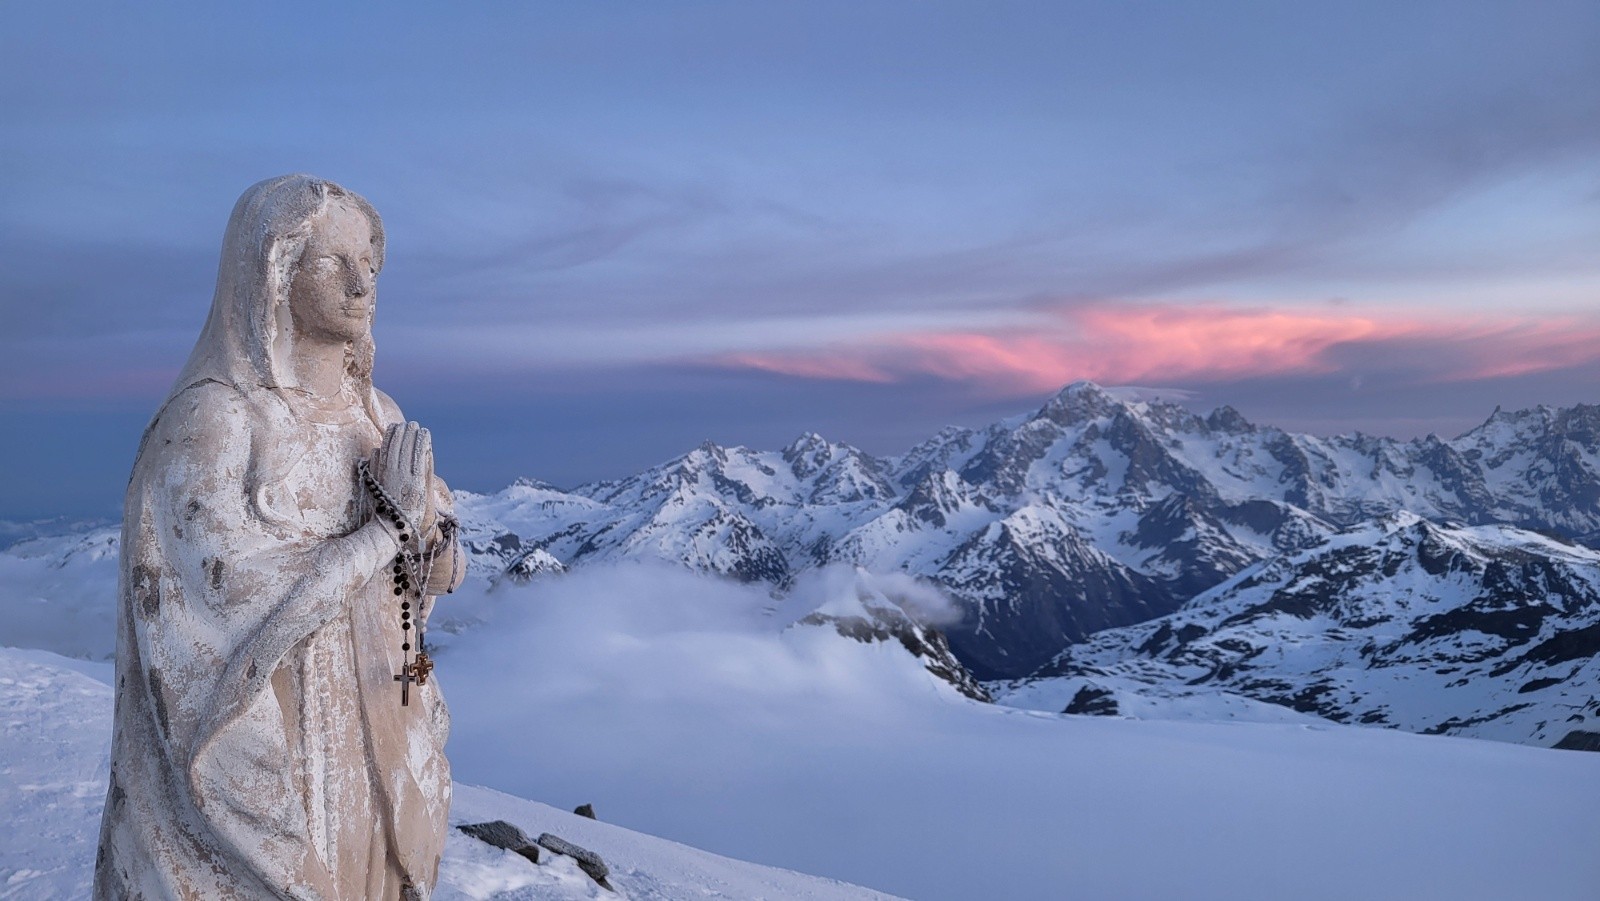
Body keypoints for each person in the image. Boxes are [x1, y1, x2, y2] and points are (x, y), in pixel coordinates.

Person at [95, 175, 464, 900]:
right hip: (287, 751)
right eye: (334, 263)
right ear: (273, 269)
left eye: (371, 265)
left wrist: (422, 528)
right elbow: (217, 611)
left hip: (376, 733)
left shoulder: (377, 416)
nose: (363, 285)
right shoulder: (216, 422)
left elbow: (442, 569)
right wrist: (380, 534)